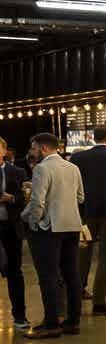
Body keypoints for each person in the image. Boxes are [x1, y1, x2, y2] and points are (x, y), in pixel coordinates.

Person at [20, 132, 83, 339]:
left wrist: (32, 223)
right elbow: (81, 197)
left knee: (48, 277)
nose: (32, 152)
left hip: (49, 229)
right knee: (72, 276)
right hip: (72, 226)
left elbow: (37, 202)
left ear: (43, 148)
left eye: (33, 148)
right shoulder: (73, 167)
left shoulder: (42, 168)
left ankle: (51, 324)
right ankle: (73, 322)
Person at [71, 124, 106, 315]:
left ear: (92, 137)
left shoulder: (78, 158)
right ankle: (99, 302)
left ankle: (75, 298)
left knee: (82, 255)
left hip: (86, 212)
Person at [0, 137, 29, 326]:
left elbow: (26, 198)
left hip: (11, 228)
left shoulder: (18, 172)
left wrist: (11, 199)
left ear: (4, 151)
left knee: (14, 272)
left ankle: (20, 316)